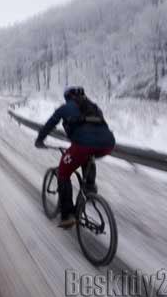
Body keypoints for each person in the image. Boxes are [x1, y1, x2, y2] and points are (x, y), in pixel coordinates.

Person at [34, 86, 115, 229]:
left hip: (83, 145)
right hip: (107, 144)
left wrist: (40, 139)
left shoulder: (65, 108)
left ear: (67, 97)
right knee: (88, 157)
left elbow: (50, 124)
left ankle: (68, 215)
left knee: (63, 173)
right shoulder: (93, 106)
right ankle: (89, 189)